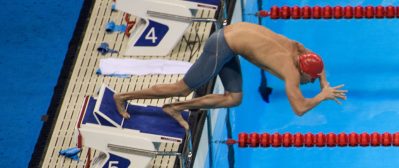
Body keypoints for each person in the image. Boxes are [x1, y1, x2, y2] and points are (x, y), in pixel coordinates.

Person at [112, 22, 347, 129]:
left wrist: (324, 82)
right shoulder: (291, 71)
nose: (311, 82)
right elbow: (300, 109)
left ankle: (174, 108)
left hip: (233, 39)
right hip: (222, 44)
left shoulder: (298, 49)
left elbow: (319, 62)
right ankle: (123, 96)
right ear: (302, 71)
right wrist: (322, 96)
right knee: (182, 87)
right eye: (311, 79)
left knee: (234, 98)